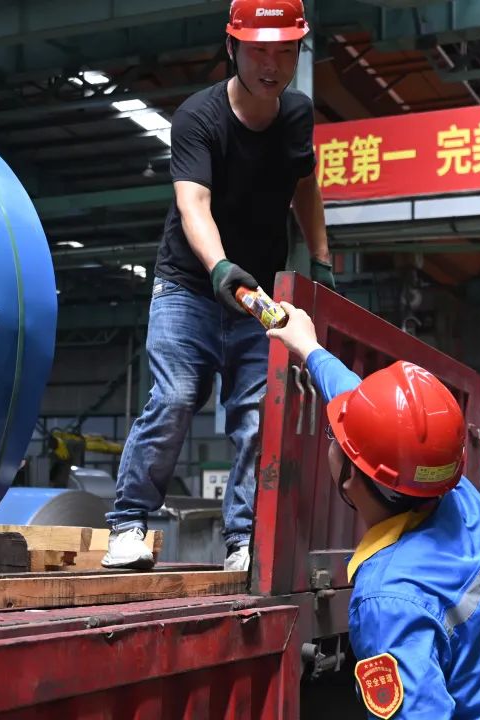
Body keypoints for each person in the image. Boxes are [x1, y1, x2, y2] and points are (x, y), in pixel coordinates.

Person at [102, 0, 333, 572]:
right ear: (232, 47)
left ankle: (242, 541)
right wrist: (220, 267)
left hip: (259, 298)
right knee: (176, 398)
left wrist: (321, 258)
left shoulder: (297, 114)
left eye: (286, 52)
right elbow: (193, 204)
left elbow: (305, 186)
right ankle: (128, 524)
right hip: (190, 286)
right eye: (258, 51)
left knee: (257, 418)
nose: (272, 65)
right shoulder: (198, 118)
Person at [267, 302, 480, 719]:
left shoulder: (389, 600)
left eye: (337, 436)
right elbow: (380, 421)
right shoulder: (463, 501)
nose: (335, 437)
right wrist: (309, 348)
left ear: (351, 477)